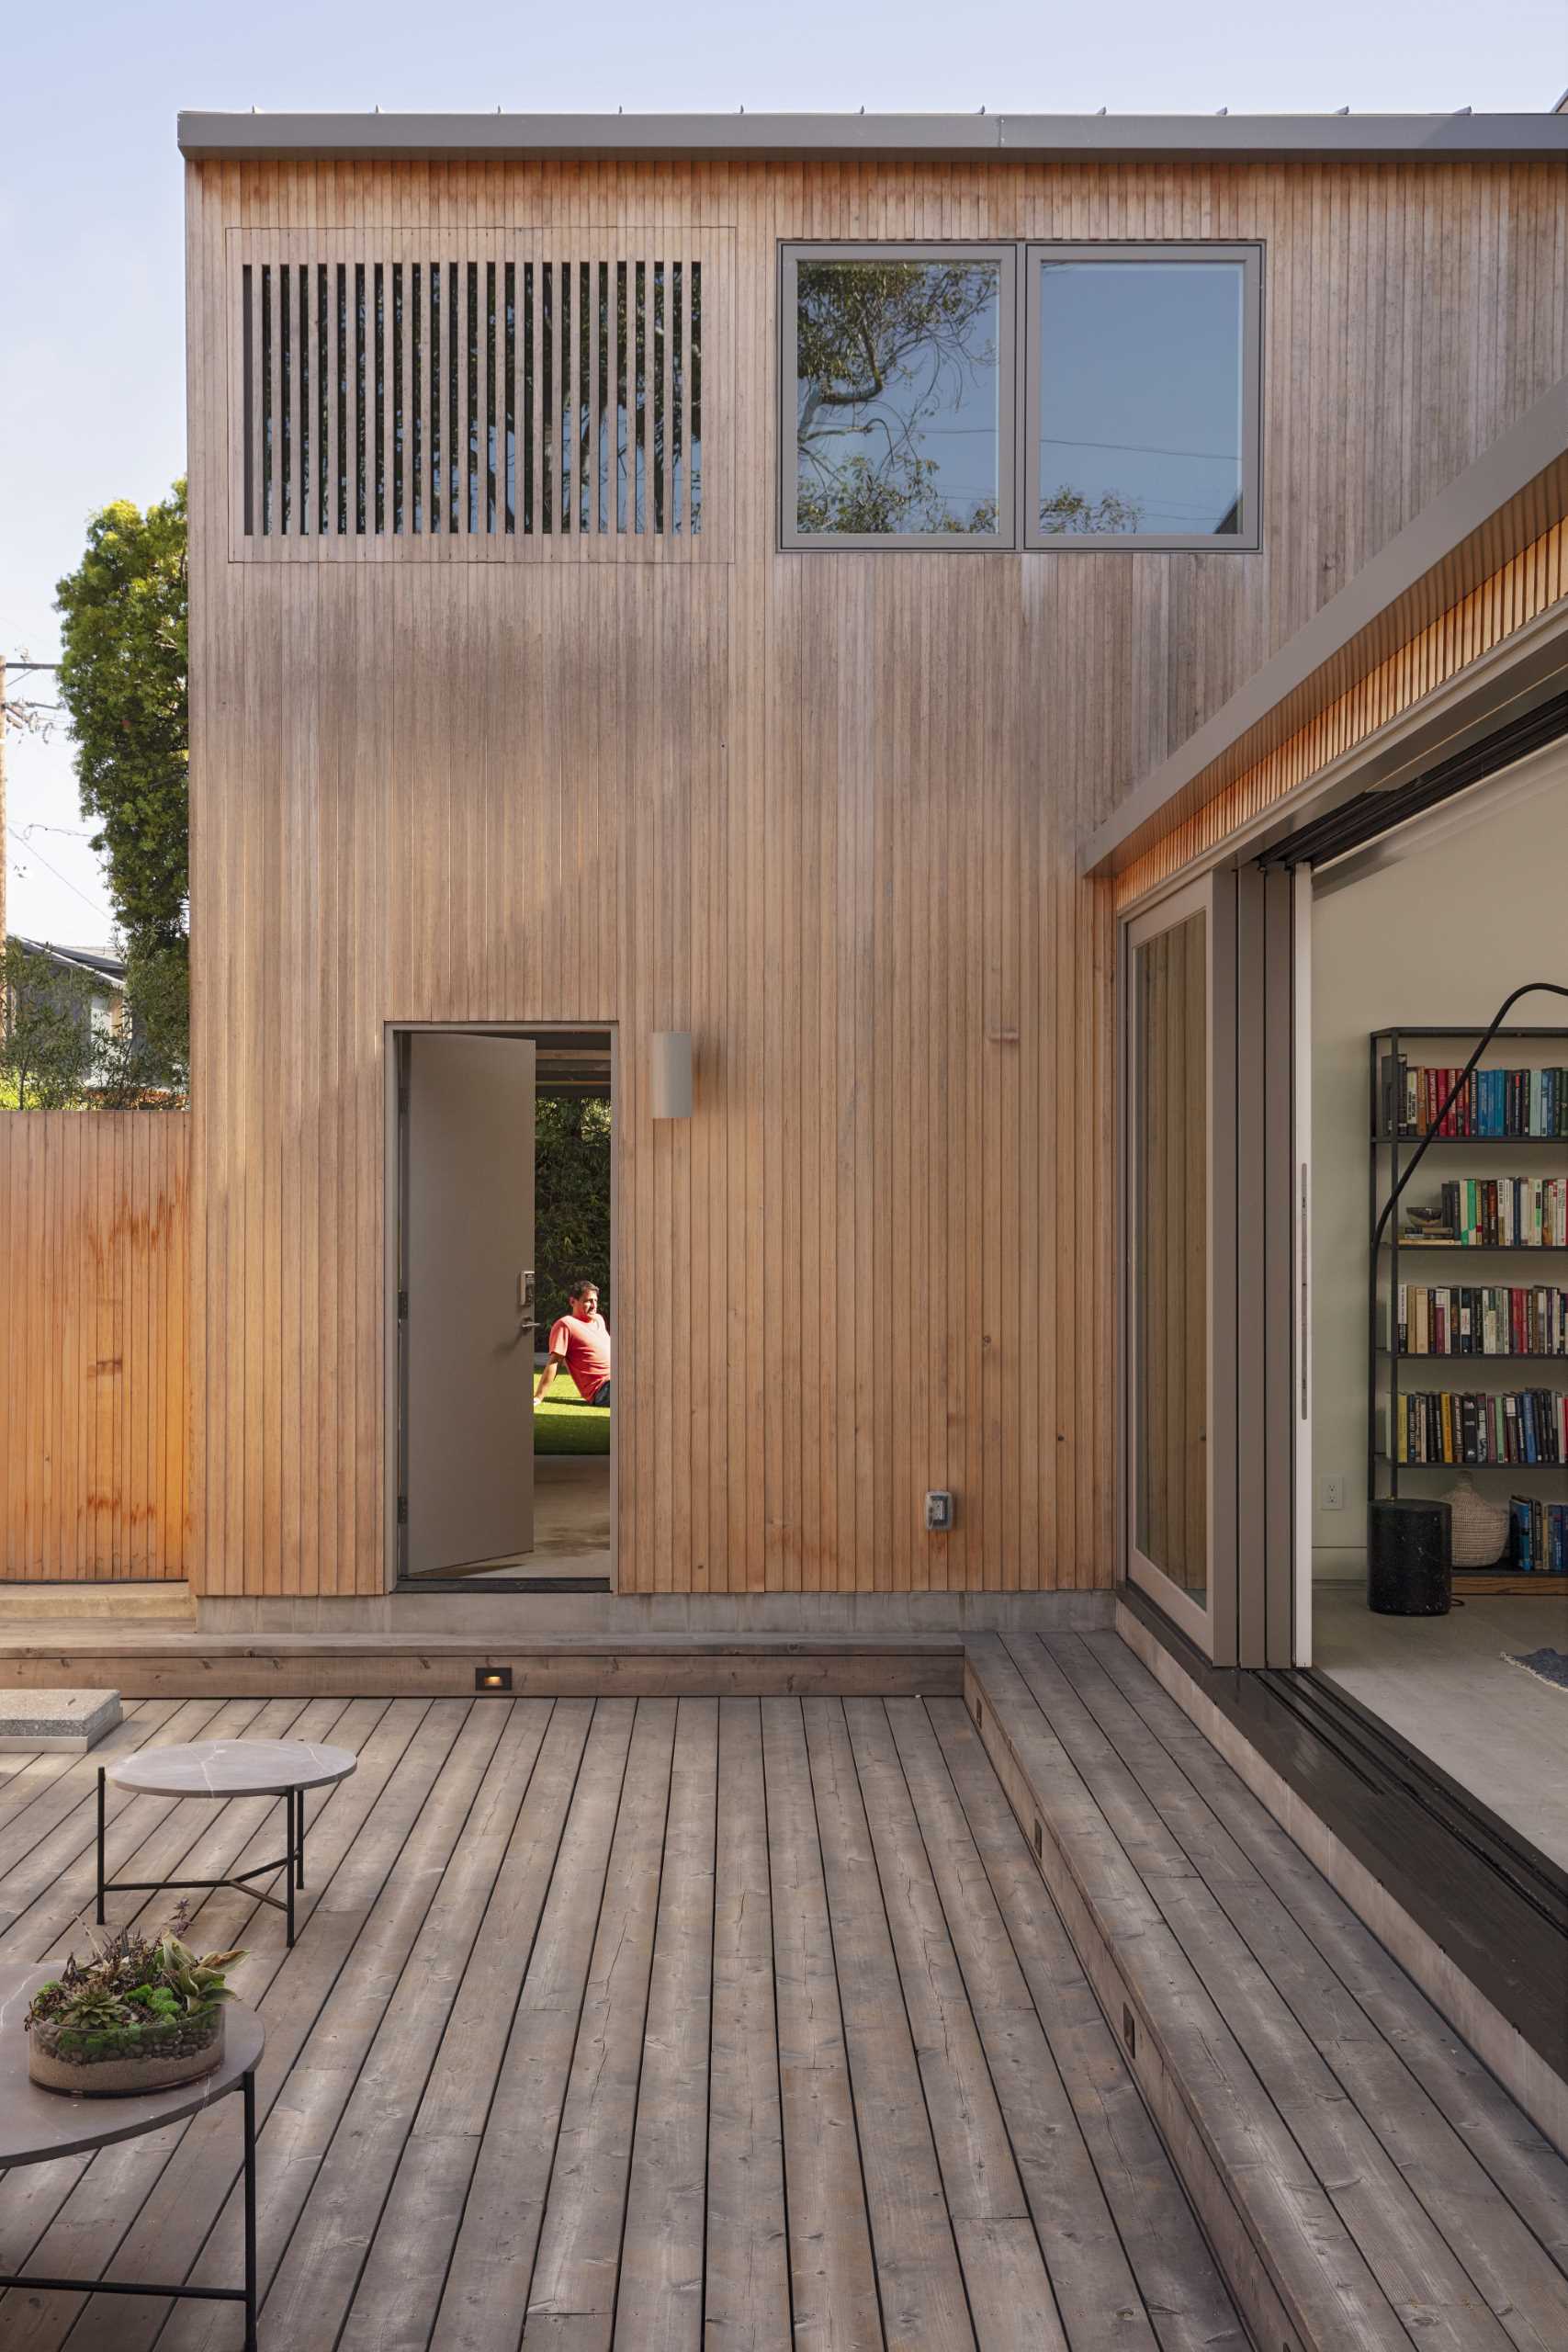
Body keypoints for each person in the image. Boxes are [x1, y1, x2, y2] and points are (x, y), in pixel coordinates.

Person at [535, 1280, 613, 1410]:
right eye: (588, 1301)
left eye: (595, 1301)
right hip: (602, 1390)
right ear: (572, 1302)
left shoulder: (599, 1319)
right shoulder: (566, 1325)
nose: (594, 1306)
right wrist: (538, 1396)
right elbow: (555, 1362)